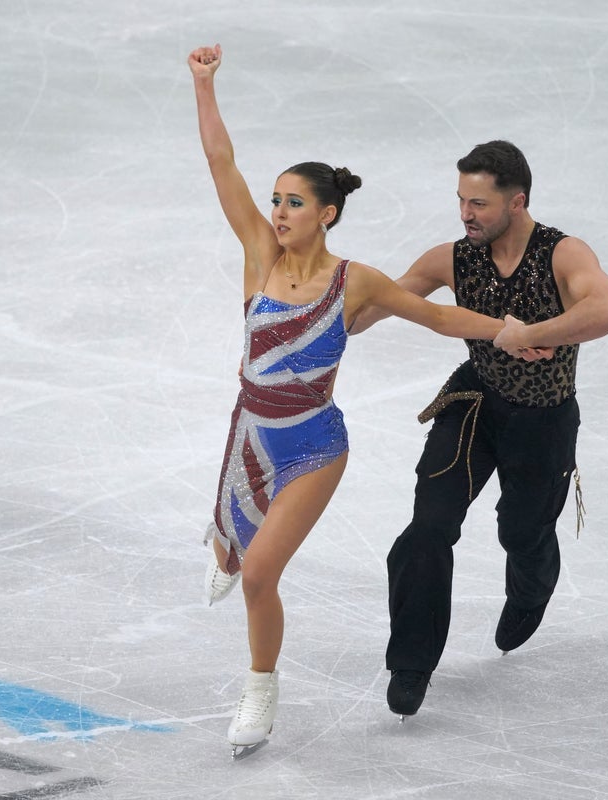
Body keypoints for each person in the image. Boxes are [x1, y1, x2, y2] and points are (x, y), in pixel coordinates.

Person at [186, 45, 546, 755]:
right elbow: (221, 163)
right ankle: (224, 539)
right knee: (230, 556)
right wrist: (204, 85)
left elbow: (437, 315)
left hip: (314, 448)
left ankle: (260, 688)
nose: (278, 211)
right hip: (249, 436)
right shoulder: (260, 255)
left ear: (326, 214)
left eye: (293, 202)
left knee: (258, 575)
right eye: (275, 200)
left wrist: (507, 332)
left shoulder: (355, 282)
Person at [349, 139, 608, 718]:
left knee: (522, 534)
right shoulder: (450, 259)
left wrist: (529, 333)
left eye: (478, 203)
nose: (465, 214)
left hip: (544, 421)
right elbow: (370, 312)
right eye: (460, 200)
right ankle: (411, 663)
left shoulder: (562, 253)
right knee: (427, 528)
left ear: (516, 202)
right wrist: (322, 300)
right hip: (473, 405)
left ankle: (532, 590)